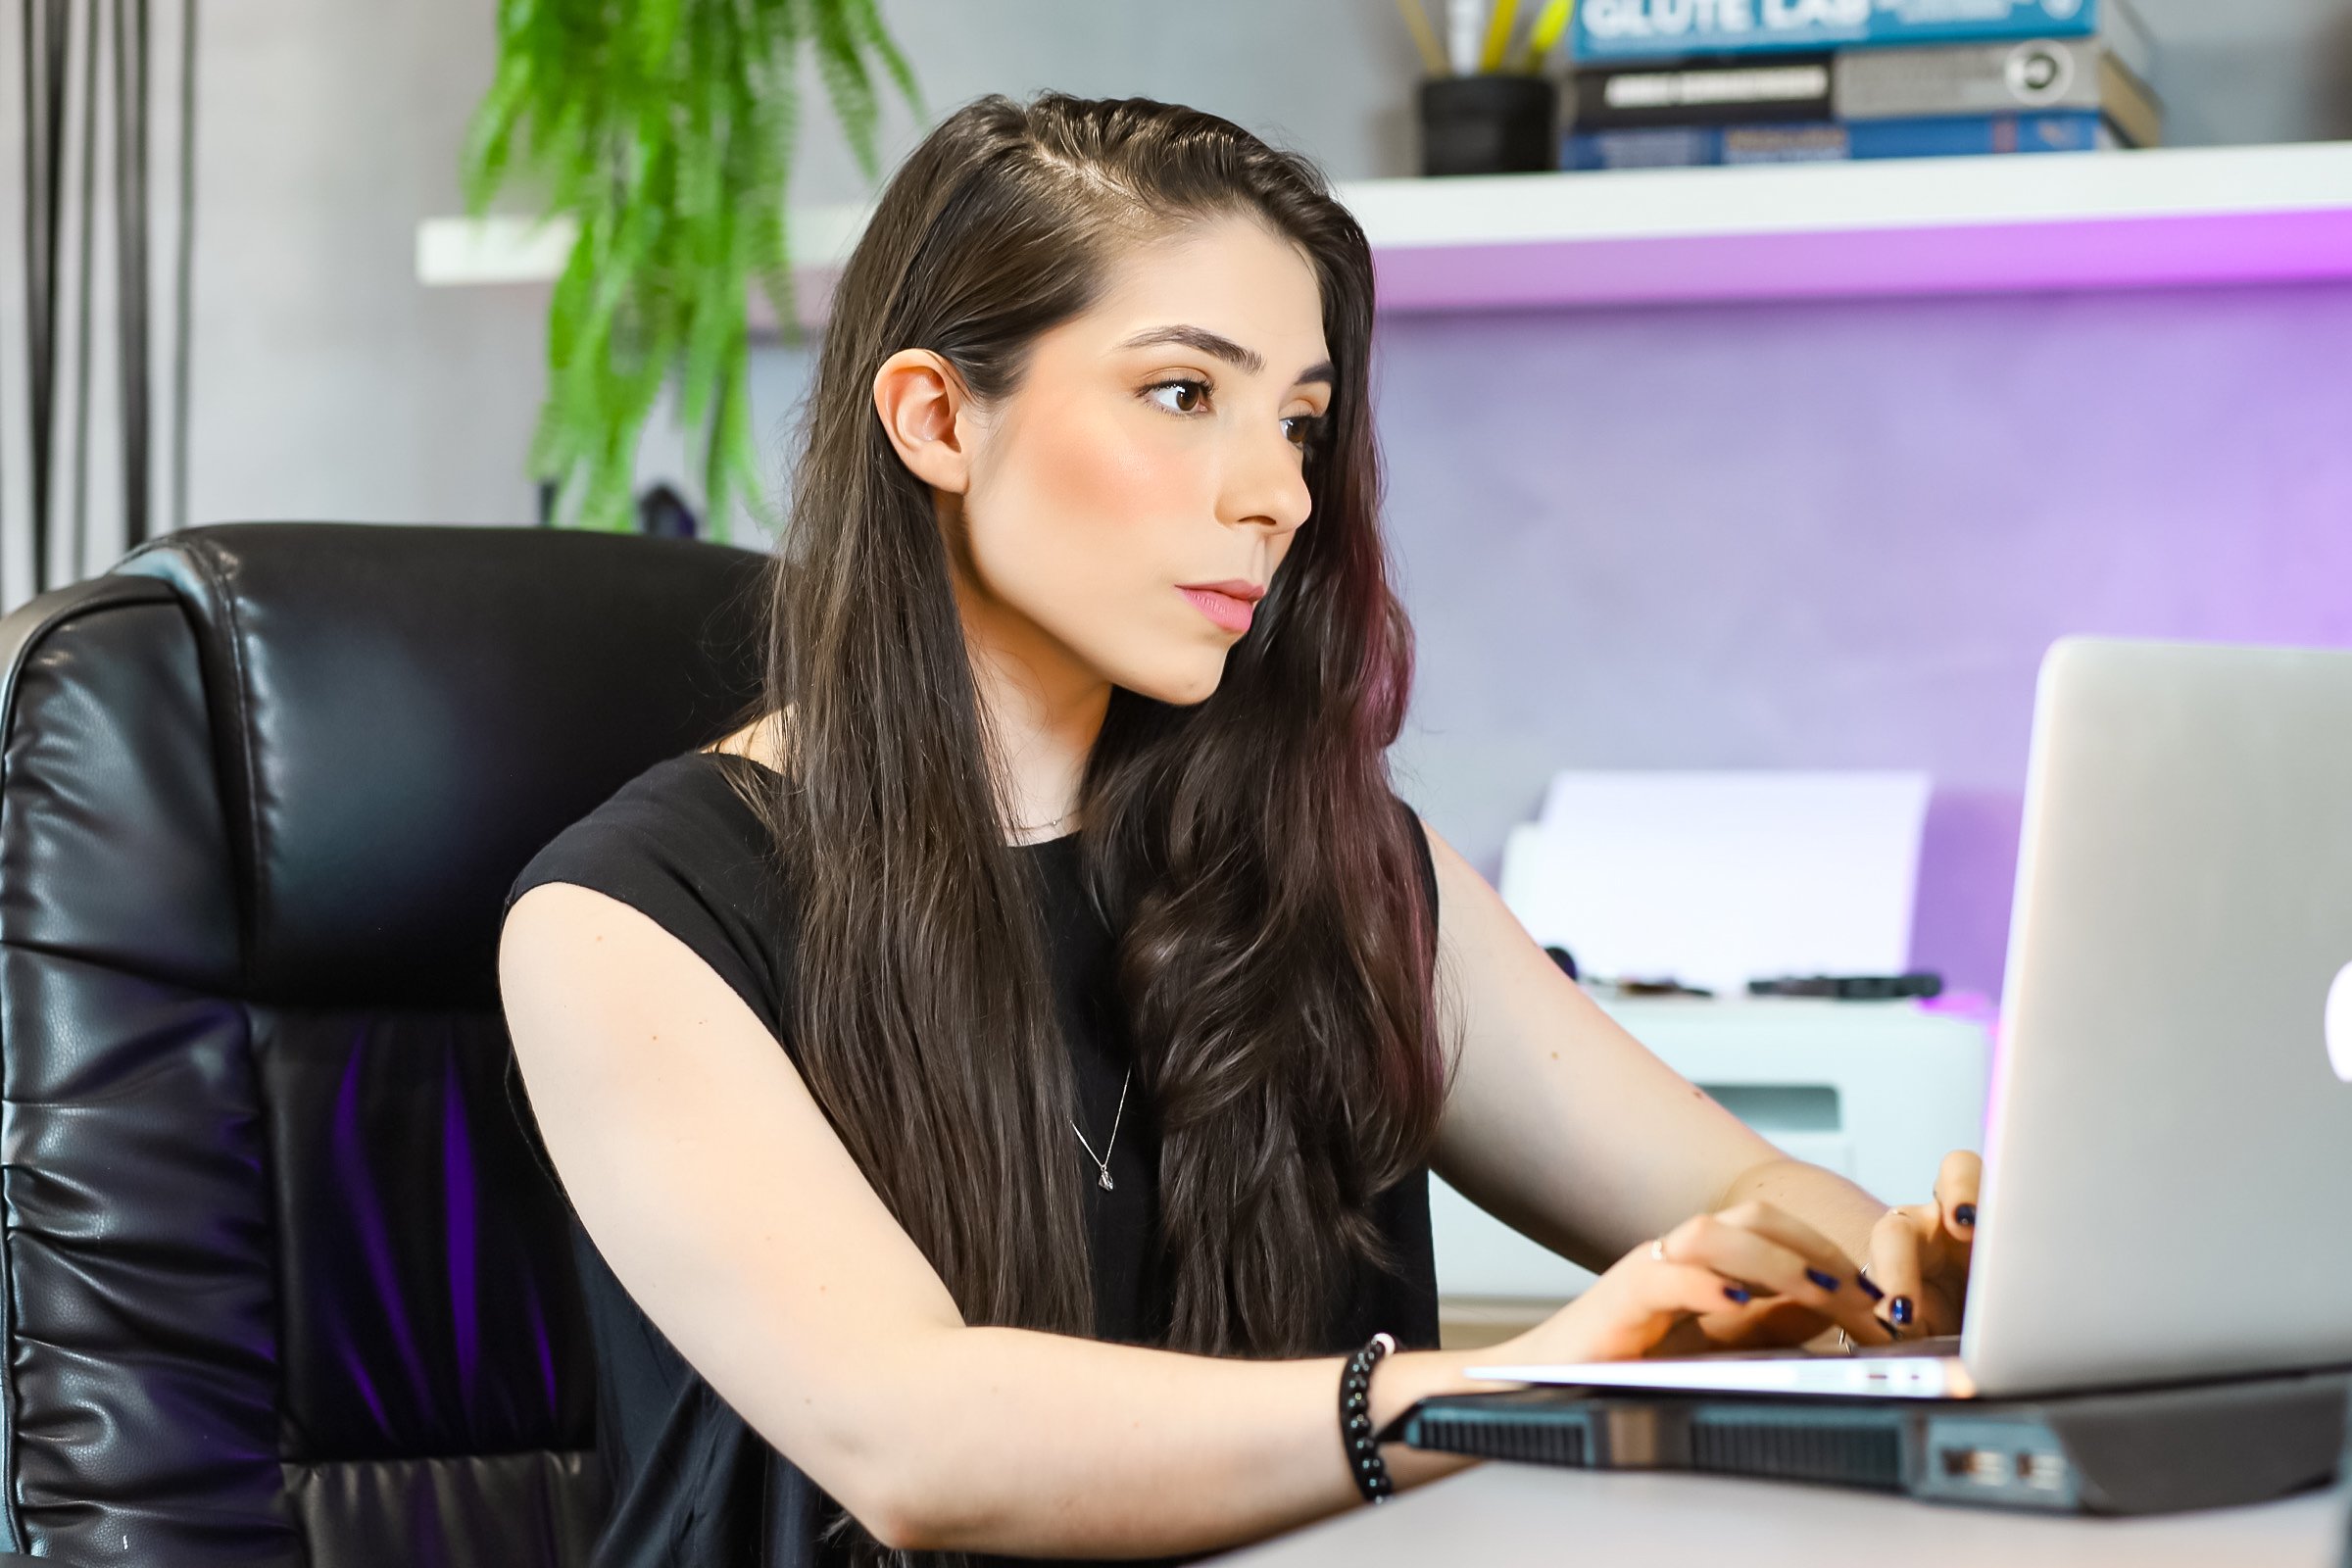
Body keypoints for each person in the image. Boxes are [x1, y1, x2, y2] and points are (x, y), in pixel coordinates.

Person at [497, 90, 1980, 1568]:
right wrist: (1498, 1396)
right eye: (1183, 395)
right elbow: (913, 1433)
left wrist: (1909, 1276)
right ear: (938, 419)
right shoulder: (627, 919)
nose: (1277, 494)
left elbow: (1738, 1191)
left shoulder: (1338, 864)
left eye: (1301, 423)